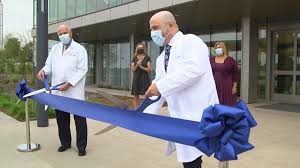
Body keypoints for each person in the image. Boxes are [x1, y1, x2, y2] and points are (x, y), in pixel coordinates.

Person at [144, 11, 219, 168]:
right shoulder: (161, 58)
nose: (153, 33)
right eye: (151, 29)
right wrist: (145, 115)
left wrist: (159, 86)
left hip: (197, 114)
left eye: (155, 28)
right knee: (189, 160)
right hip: (180, 117)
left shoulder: (190, 41)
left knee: (192, 160)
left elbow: (194, 70)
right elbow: (158, 89)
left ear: (171, 26)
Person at [37, 24, 88, 156]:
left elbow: (83, 69)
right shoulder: (54, 49)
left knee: (80, 119)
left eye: (65, 32)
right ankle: (65, 143)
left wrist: (70, 83)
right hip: (59, 91)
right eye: (60, 34)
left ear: (70, 33)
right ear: (58, 35)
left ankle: (81, 146)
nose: (63, 35)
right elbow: (49, 65)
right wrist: (43, 70)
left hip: (74, 90)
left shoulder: (80, 49)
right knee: (61, 119)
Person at [210, 42, 238, 106]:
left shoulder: (230, 60)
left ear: (223, 48)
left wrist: (234, 86)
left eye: (219, 47)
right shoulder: (211, 59)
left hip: (227, 86)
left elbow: (235, 73)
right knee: (216, 103)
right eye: (216, 48)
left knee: (228, 103)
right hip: (215, 85)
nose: (217, 49)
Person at [131, 43, 152, 108]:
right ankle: (136, 111)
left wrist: (141, 66)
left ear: (144, 49)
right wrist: (137, 65)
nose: (140, 49)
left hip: (144, 78)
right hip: (136, 78)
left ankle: (147, 110)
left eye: (141, 48)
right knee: (136, 96)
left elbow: (149, 69)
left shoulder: (147, 57)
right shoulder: (134, 58)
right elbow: (133, 70)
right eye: (139, 48)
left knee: (147, 95)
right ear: (137, 49)